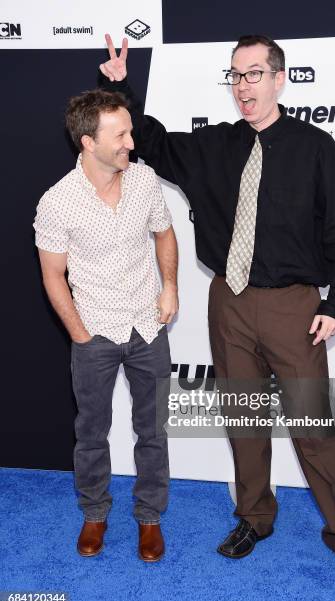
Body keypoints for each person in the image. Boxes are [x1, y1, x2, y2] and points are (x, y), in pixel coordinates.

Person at [99, 34, 335, 586]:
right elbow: (150, 140)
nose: (243, 86)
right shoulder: (216, 146)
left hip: (295, 307)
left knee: (311, 425)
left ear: (279, 78)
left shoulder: (317, 147)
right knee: (245, 421)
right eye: (236, 75)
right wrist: (121, 87)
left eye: (254, 74)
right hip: (229, 301)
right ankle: (254, 517)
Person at [33, 88, 178, 562]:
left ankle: (150, 518)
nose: (131, 143)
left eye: (130, 131)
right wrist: (78, 332)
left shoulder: (145, 181)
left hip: (146, 327)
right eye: (120, 135)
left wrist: (170, 286)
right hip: (92, 332)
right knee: (92, 431)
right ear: (88, 143)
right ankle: (95, 513)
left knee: (153, 429)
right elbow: (53, 275)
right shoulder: (57, 202)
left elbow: (164, 232)